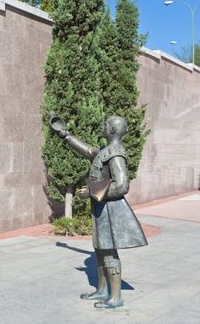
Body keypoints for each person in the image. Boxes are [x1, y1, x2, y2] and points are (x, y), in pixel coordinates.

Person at [49, 115, 148, 309]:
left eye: (105, 124)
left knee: (109, 252)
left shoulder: (116, 154)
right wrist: (65, 135)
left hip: (111, 210)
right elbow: (87, 150)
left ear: (111, 130)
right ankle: (103, 290)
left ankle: (116, 297)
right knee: (100, 250)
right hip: (102, 207)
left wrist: (91, 192)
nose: (101, 125)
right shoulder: (106, 150)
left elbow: (122, 186)